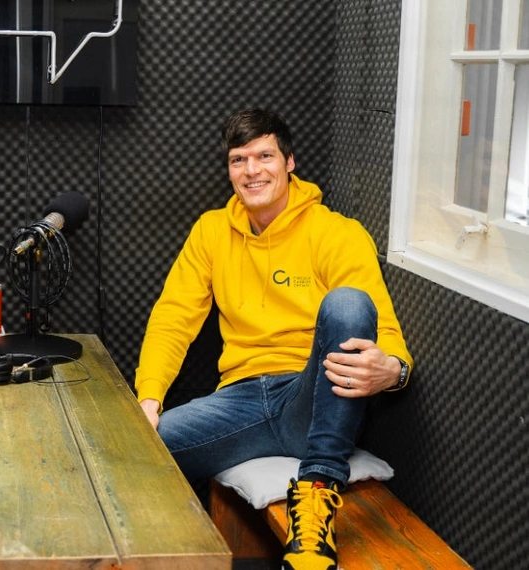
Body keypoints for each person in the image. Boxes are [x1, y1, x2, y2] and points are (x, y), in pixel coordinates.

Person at [135, 109, 412, 570]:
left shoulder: (336, 233)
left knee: (347, 303)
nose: (251, 170)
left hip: (314, 399)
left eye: (264, 156)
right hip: (240, 403)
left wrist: (395, 370)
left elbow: (381, 327)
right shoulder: (211, 231)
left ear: (289, 162)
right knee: (136, 454)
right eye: (238, 159)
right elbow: (173, 318)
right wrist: (149, 398)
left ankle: (318, 500)